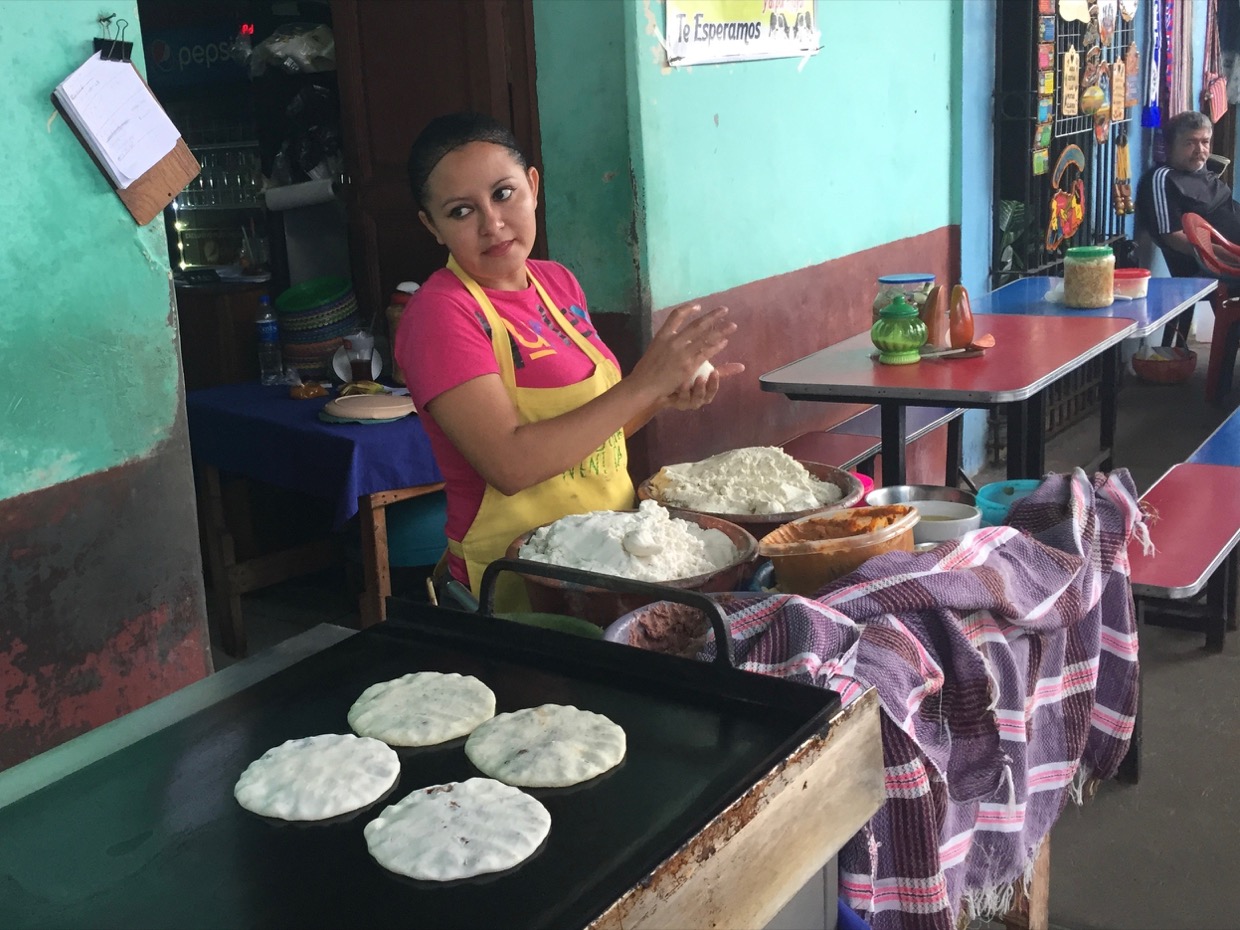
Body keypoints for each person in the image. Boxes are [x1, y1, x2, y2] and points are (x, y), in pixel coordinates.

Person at [395, 112, 743, 609]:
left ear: (533, 186)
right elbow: (509, 465)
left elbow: (589, 437)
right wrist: (642, 384)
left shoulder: (556, 284)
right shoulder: (441, 313)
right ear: (432, 226)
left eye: (503, 193)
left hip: (613, 558)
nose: (492, 224)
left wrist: (664, 395)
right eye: (460, 211)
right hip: (522, 583)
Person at [1136, 109, 1240, 278]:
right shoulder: (1163, 178)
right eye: (1190, 143)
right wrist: (1233, 255)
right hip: (1222, 266)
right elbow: (1172, 237)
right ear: (1170, 146)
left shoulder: (1203, 170)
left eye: (1205, 142)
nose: (1200, 150)